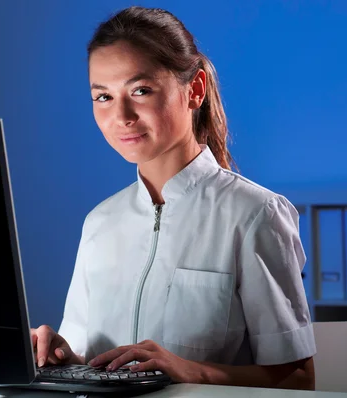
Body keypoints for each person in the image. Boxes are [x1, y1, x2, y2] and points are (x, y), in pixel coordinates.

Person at [29, 5, 316, 391]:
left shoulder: (254, 214)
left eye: (141, 90)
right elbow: (91, 361)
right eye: (103, 97)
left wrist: (189, 369)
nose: (122, 115)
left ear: (194, 90)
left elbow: (299, 379)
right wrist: (64, 356)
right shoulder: (100, 222)